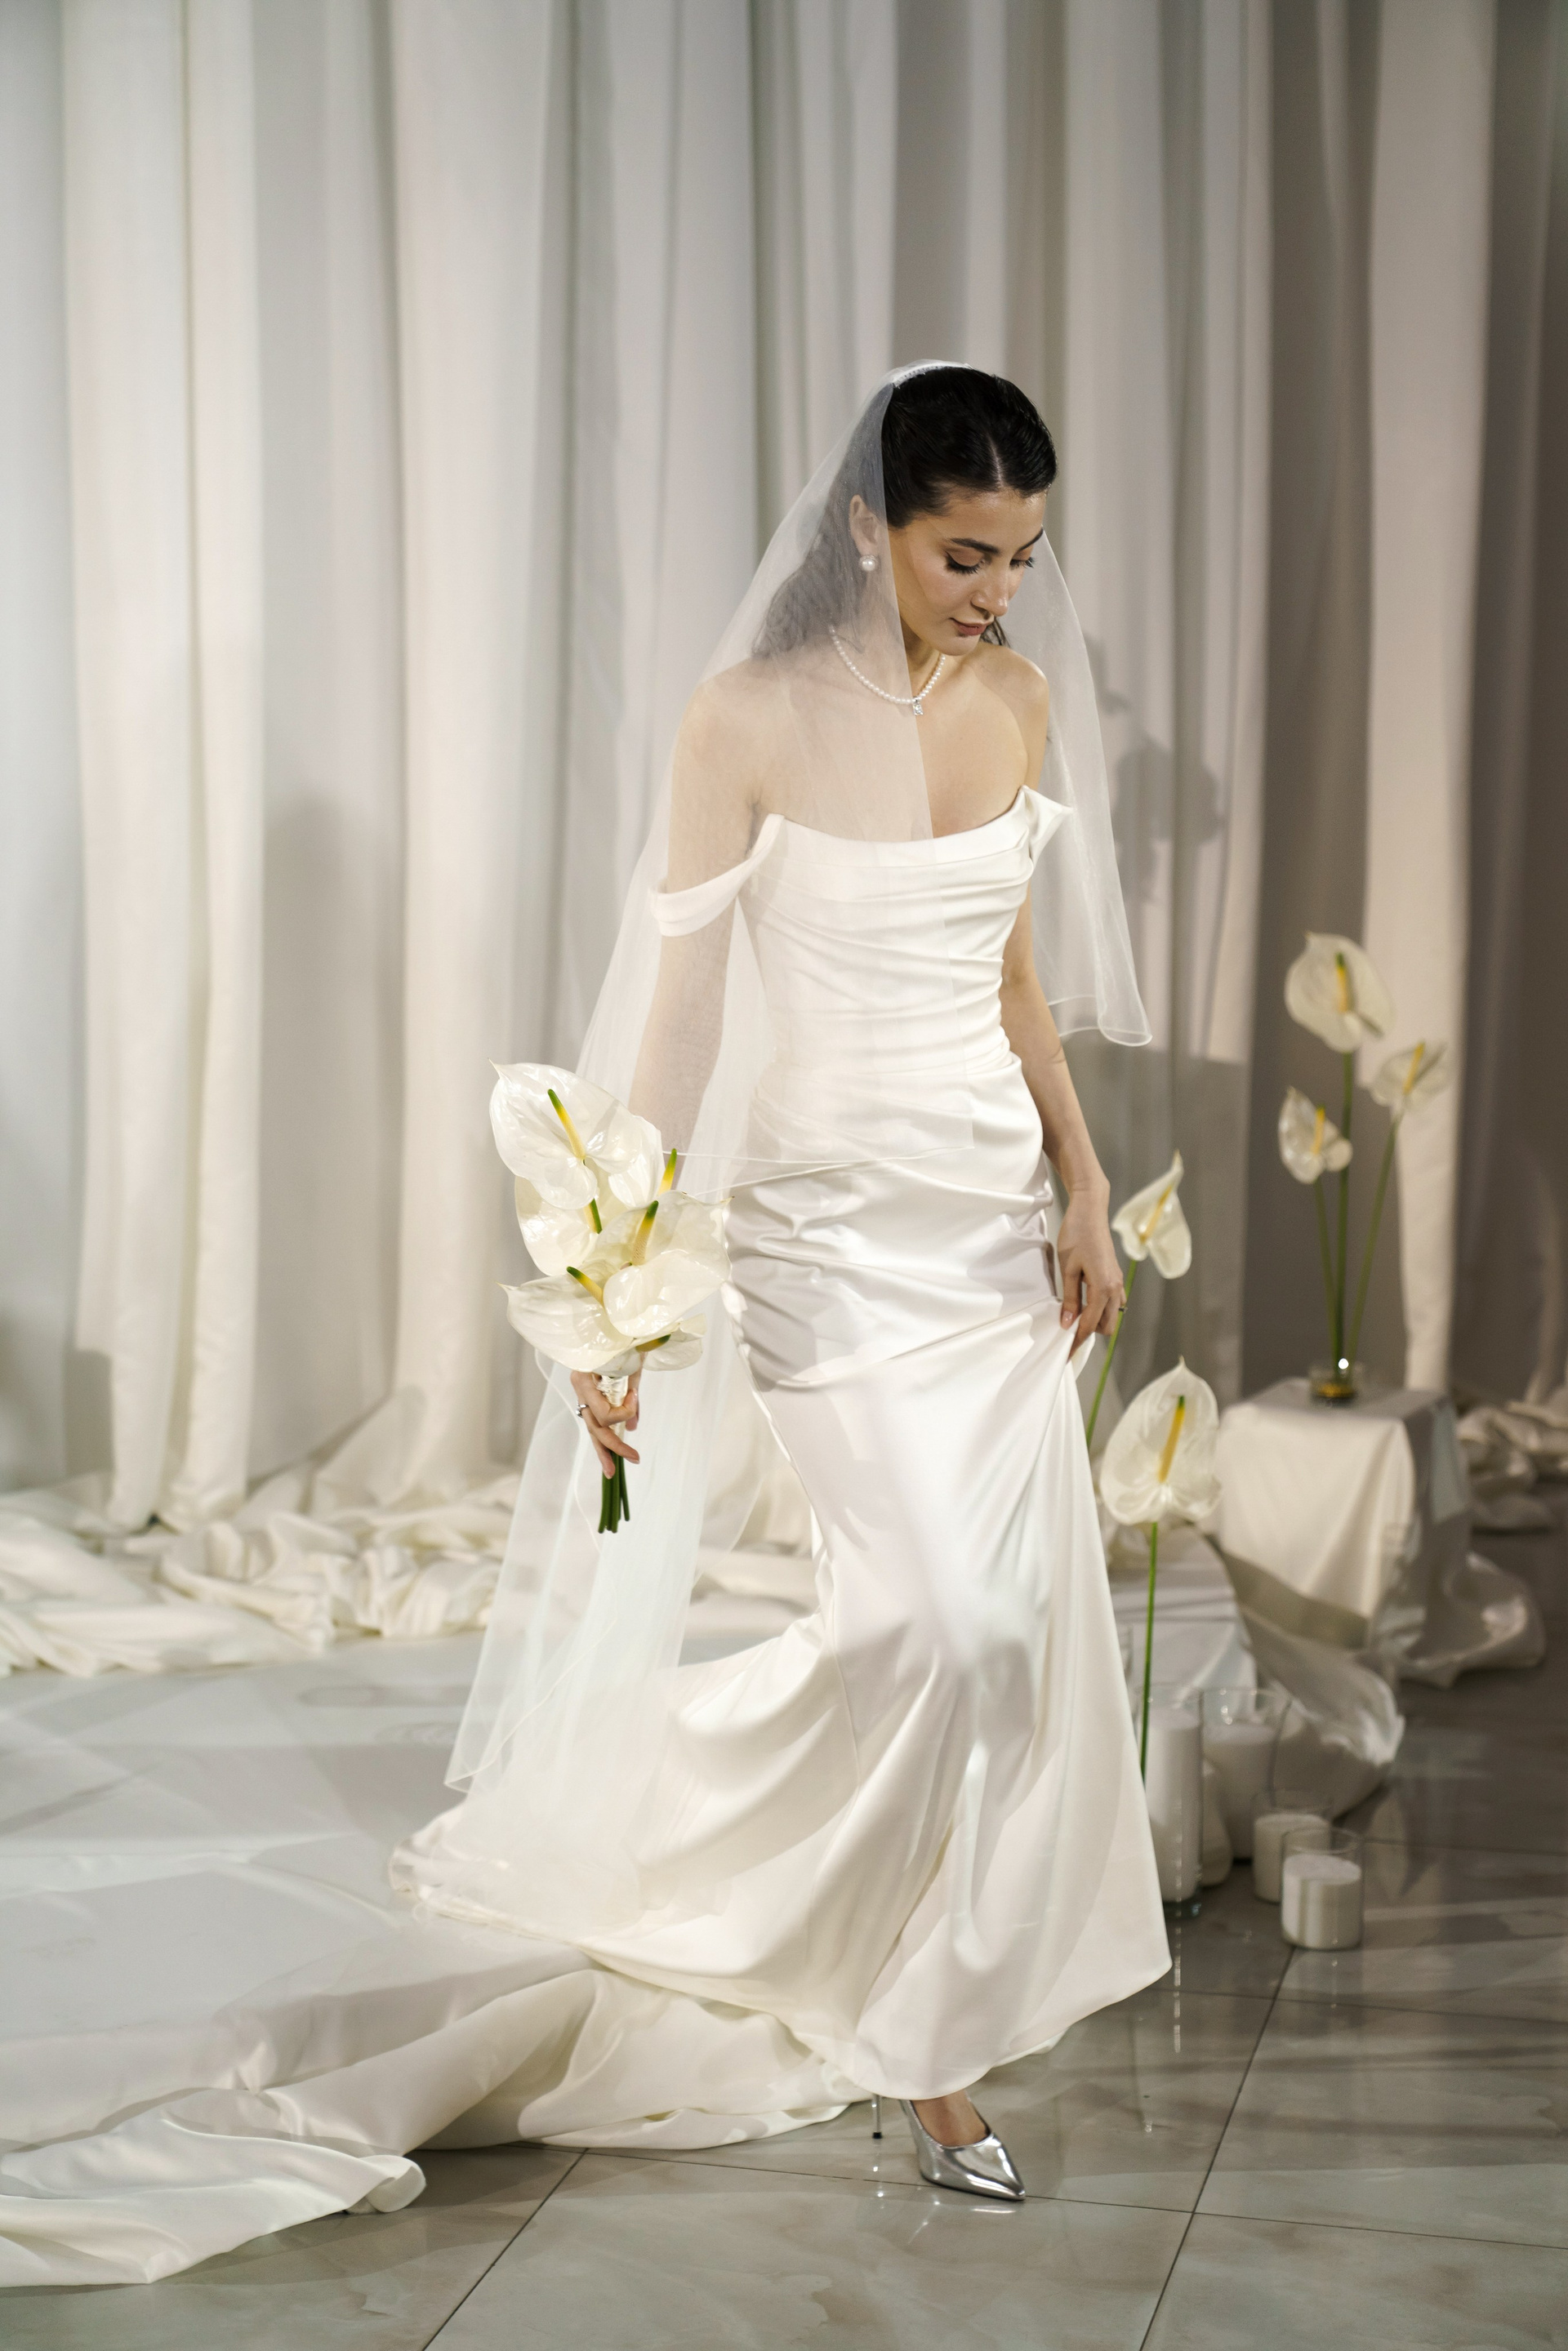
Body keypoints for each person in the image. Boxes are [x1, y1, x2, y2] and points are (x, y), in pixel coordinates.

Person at [398, 365, 1169, 2201]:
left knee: (990, 1638)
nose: (998, 591)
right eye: (965, 554)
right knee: (939, 1628)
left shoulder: (1015, 699)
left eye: (1024, 558)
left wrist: (1082, 1182)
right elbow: (684, 1012)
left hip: (989, 1234)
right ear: (864, 525)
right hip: (823, 1233)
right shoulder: (740, 719)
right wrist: (620, 1285)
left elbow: (1012, 978)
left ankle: (930, 2003)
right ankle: (817, 1946)